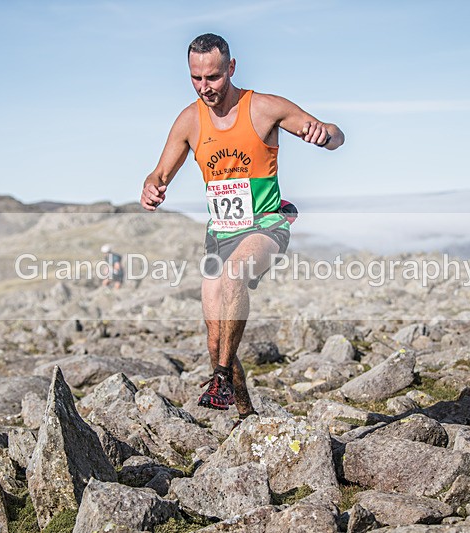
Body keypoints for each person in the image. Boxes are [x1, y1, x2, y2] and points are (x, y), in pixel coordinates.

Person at [140, 33, 344, 419]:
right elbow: (159, 173)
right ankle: (245, 412)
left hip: (267, 223)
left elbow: (334, 134)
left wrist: (325, 135)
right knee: (216, 336)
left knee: (234, 277)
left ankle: (218, 379)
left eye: (213, 78)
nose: (205, 88)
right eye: (196, 79)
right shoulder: (189, 121)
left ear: (231, 68)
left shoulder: (264, 108)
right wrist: (151, 188)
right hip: (221, 232)